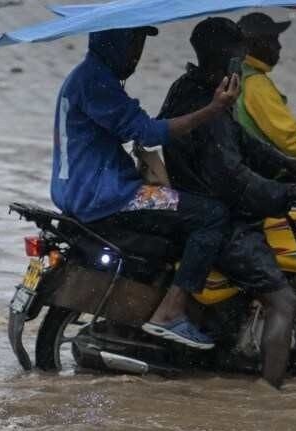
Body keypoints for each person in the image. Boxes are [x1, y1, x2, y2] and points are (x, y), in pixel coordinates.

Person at [157, 17, 296, 388]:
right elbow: (233, 178)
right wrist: (290, 194)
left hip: (197, 200)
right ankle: (269, 393)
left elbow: (244, 145)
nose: (242, 62)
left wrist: (295, 167)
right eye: (239, 56)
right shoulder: (207, 101)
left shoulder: (192, 88)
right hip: (222, 218)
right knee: (283, 301)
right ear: (229, 57)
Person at [52, 27, 241, 350]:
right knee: (211, 214)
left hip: (76, 192)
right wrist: (213, 109)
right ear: (116, 43)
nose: (137, 54)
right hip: (107, 198)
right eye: (135, 43)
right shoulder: (97, 82)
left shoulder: (85, 76)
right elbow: (147, 133)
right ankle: (170, 311)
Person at [235, 12, 296, 158]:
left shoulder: (236, 72)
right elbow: (290, 139)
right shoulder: (256, 84)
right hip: (263, 172)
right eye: (273, 40)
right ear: (254, 44)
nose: (279, 46)